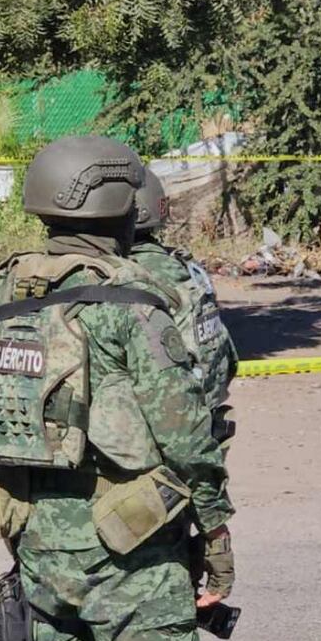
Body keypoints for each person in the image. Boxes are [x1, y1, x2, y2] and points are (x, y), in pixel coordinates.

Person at [0, 135, 236, 641]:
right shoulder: (132, 303)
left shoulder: (6, 294)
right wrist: (214, 531)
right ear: (119, 209)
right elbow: (185, 435)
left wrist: (10, 512)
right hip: (134, 551)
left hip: (40, 550)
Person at [129, 168, 239, 444]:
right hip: (203, 423)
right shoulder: (184, 269)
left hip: (161, 436)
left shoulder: (130, 276)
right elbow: (228, 360)